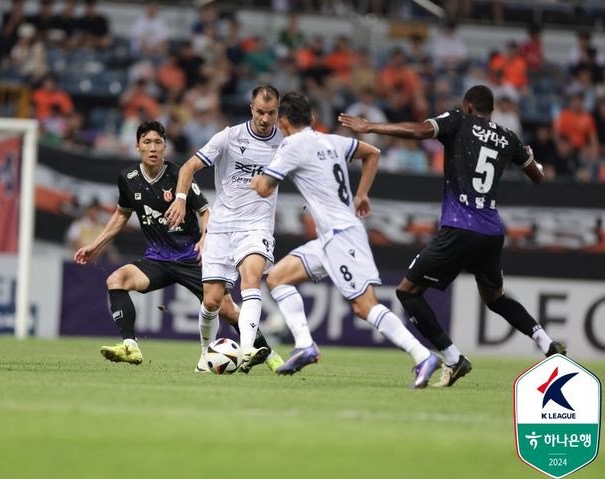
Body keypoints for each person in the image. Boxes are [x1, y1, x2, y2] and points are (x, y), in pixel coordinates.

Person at [338, 85, 566, 388]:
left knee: (407, 292)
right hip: (492, 232)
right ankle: (546, 343)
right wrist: (531, 157)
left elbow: (421, 131)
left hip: (460, 227)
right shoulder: (508, 137)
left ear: (469, 106)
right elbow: (538, 176)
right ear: (491, 110)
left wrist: (372, 126)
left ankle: (453, 357)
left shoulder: (459, 120)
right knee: (495, 298)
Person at [252, 91, 442, 388]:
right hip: (330, 237)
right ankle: (305, 345)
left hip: (341, 236)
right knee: (277, 278)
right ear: (312, 118)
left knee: (364, 307)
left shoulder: (291, 145)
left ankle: (422, 355)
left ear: (283, 120)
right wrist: (362, 193)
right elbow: (372, 153)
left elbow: (263, 188)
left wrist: (255, 177)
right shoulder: (330, 140)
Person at [74, 121, 281, 372]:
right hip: (157, 259)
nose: (153, 148)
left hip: (189, 257)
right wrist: (95, 246)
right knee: (116, 280)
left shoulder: (177, 175)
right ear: (137, 145)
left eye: (158, 142)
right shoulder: (128, 178)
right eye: (147, 142)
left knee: (226, 310)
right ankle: (130, 345)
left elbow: (206, 211)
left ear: (165, 146)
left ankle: (267, 354)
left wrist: (205, 239)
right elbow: (121, 215)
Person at [164, 85, 283, 373]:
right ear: (250, 109)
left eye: (271, 113)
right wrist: (181, 199)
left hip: (256, 226)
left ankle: (245, 351)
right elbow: (188, 167)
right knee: (212, 300)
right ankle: (206, 355)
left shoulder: (285, 142)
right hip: (221, 226)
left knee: (251, 279)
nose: (265, 119)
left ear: (277, 111)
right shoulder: (229, 137)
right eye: (260, 112)